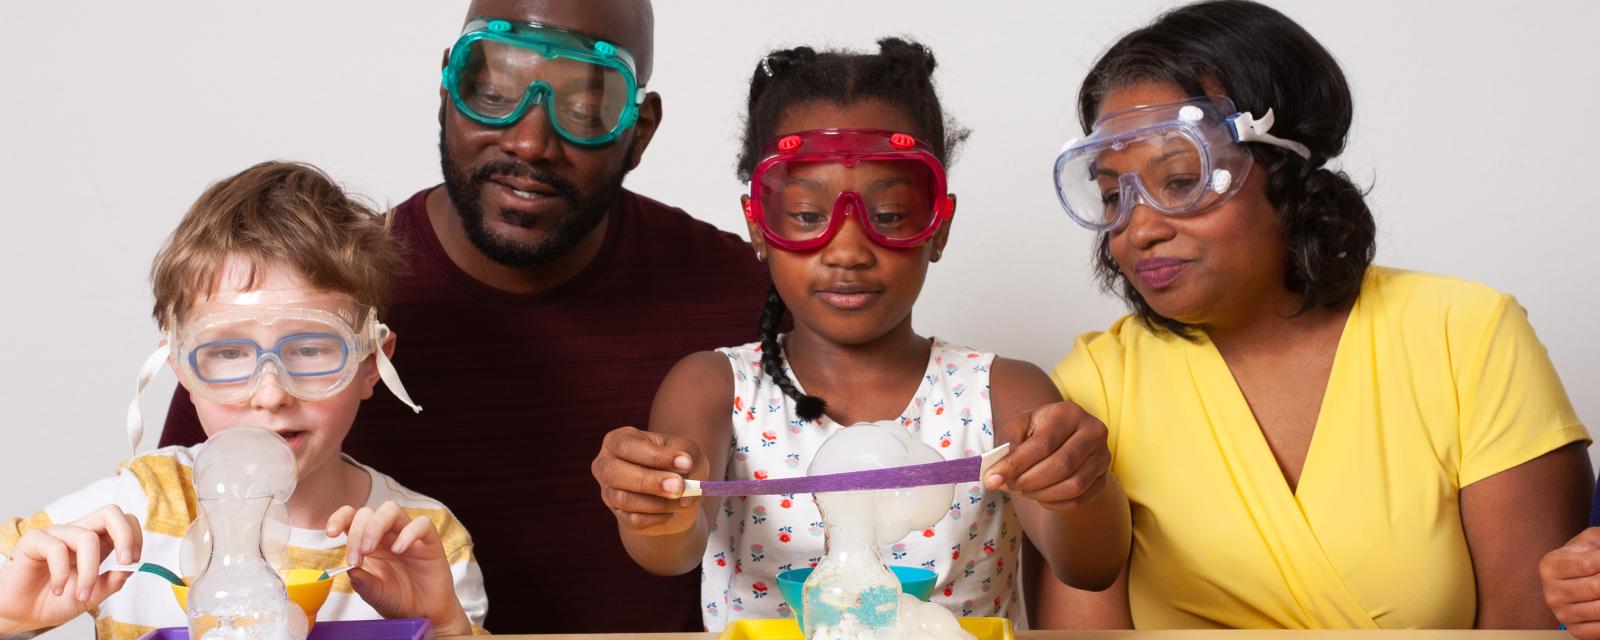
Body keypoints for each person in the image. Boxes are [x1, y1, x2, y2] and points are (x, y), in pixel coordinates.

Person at [157, 0, 772, 632]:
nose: (530, 141)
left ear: (638, 132)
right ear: (447, 88)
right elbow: (171, 535)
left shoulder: (747, 297)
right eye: (493, 92)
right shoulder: (305, 312)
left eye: (585, 109)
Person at [1037, 0, 1592, 630]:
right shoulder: (1097, 385)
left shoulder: (1466, 334)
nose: (1138, 229)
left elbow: (1527, 623)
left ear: (1288, 173)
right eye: (1114, 195)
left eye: (1182, 178)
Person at [591, 39, 1132, 629]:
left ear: (939, 228)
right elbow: (671, 553)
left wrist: (1081, 488)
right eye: (806, 215)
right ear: (758, 228)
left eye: (892, 215)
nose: (847, 250)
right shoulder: (712, 387)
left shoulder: (1003, 391)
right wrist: (654, 508)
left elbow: (1089, 565)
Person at [0, 162, 486, 639]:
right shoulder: (135, 508)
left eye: (312, 349)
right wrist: (10, 617)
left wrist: (445, 628)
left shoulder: (418, 541)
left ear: (370, 363)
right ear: (182, 371)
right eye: (228, 352)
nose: (271, 394)